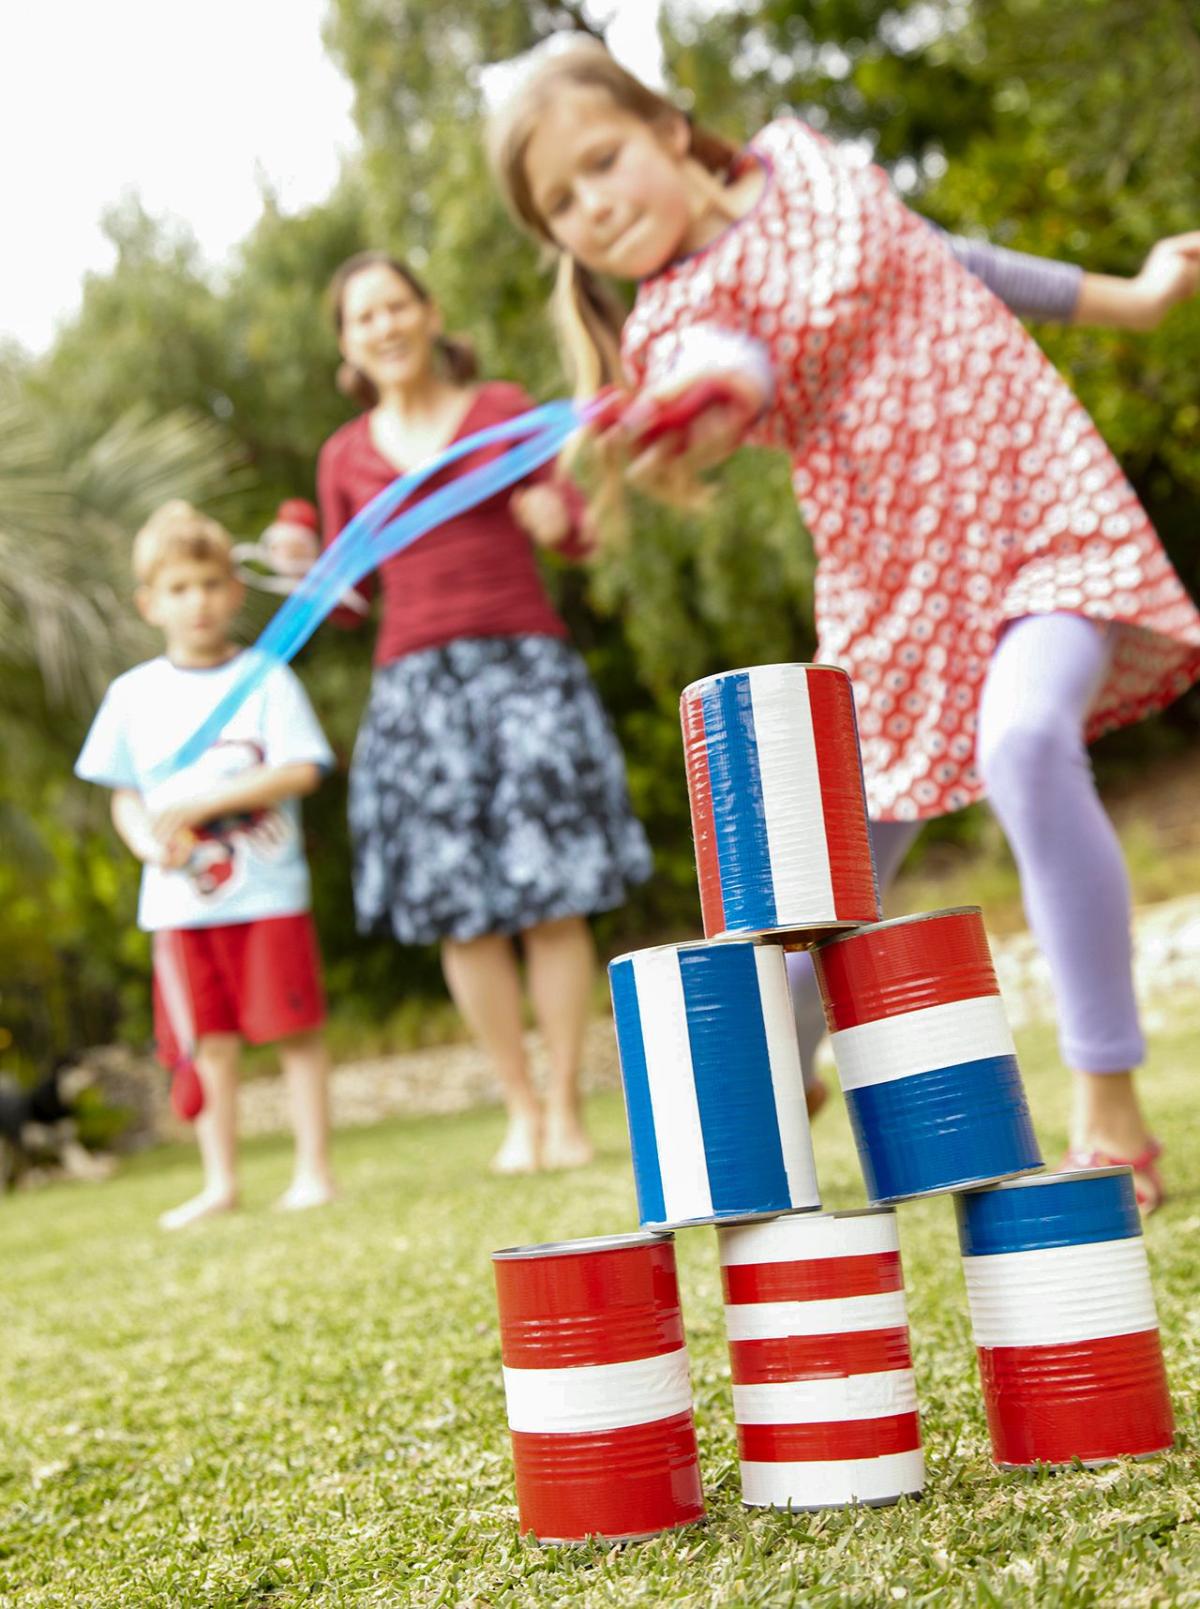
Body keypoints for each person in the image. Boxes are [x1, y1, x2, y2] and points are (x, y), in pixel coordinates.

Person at [486, 37, 1200, 1210]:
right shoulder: (674, 324)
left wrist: (1133, 297)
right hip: (891, 585)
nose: (593, 207)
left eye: (602, 162)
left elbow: (942, 257)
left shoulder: (807, 164)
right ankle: (778, 1070)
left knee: (1026, 742)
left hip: (1035, 503)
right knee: (814, 871)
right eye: (560, 205)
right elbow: (736, 360)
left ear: (670, 129)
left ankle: (1111, 1108)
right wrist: (701, 399)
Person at [281, 251, 651, 1176]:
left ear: (429, 311)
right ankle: (519, 1112)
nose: (385, 326)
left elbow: (582, 530)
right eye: (364, 317)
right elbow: (346, 597)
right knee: (463, 912)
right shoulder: (345, 456)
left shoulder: (500, 409)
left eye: (397, 305)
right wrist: (301, 571)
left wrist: (553, 521)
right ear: (348, 343)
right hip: (416, 690)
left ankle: (566, 1111)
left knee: (553, 895)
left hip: (525, 668)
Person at [75, 501, 338, 1229]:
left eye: (210, 584)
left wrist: (208, 801)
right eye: (180, 588)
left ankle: (314, 1169)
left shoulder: (266, 678)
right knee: (205, 1043)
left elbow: (300, 770)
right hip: (180, 906)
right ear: (150, 602)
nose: (198, 602)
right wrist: (146, 841)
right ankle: (220, 1180)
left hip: (269, 893)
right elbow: (123, 795)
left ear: (234, 589)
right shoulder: (132, 695)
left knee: (296, 1033)